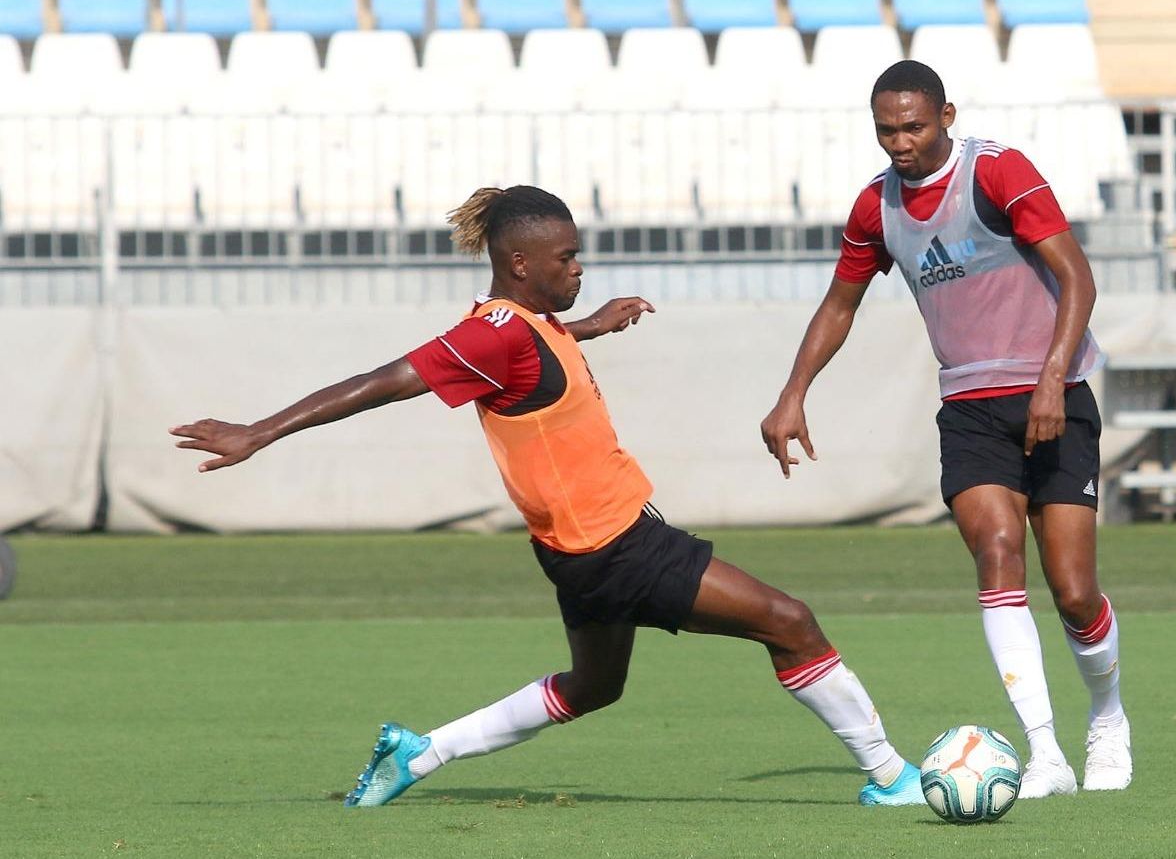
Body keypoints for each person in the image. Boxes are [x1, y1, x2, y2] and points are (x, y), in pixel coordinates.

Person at [171, 185, 925, 808]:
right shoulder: (491, 334)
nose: (579, 267)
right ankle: (891, 776)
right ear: (520, 263)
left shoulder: (529, 324)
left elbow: (540, 355)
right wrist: (260, 431)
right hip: (616, 546)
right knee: (791, 623)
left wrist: (591, 325)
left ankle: (420, 754)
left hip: (578, 551)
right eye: (566, 258)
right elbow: (384, 381)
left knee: (594, 687)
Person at [760, 61, 1131, 796]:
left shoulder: (997, 172)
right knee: (997, 553)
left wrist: (1051, 379)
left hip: (1055, 395)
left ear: (946, 116)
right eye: (886, 130)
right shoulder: (875, 207)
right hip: (969, 411)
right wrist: (793, 393)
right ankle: (1046, 753)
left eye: (914, 127)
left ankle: (1108, 717)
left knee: (1074, 591)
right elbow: (840, 304)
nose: (900, 142)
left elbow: (1077, 277)